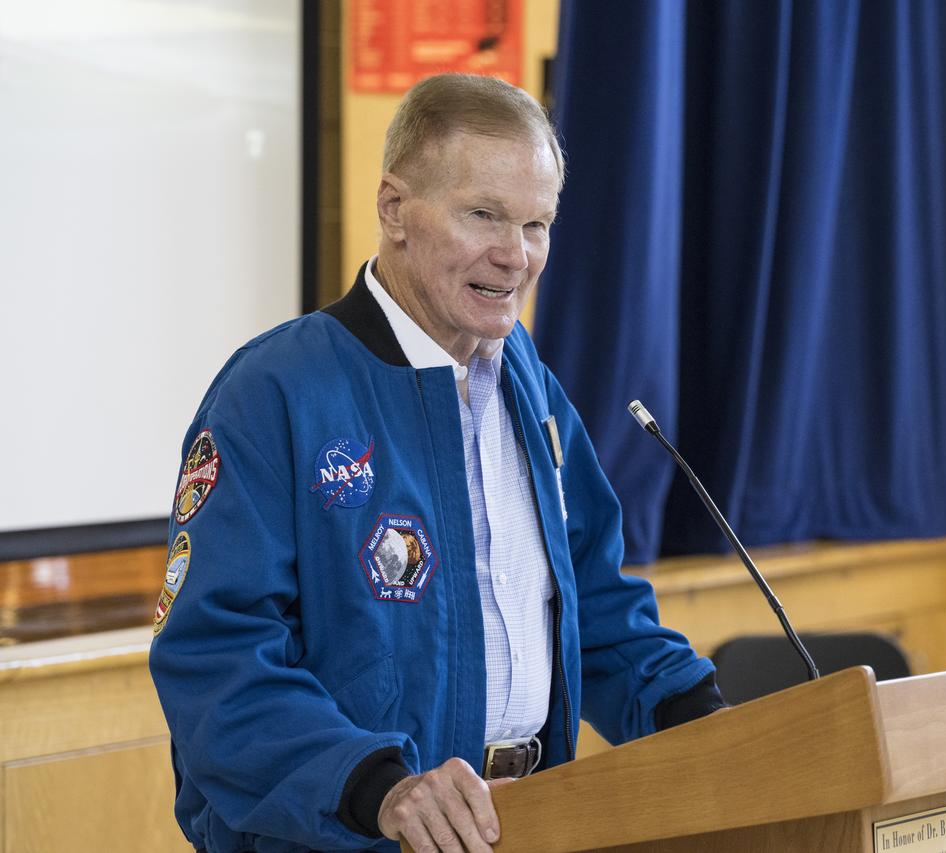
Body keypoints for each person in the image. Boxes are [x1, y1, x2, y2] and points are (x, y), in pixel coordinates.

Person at [149, 73, 725, 853]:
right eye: (482, 214)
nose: (514, 254)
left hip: (531, 822)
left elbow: (593, 603)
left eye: (537, 223)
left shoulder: (530, 382)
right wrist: (377, 788)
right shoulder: (271, 395)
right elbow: (214, 659)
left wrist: (706, 717)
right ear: (394, 211)